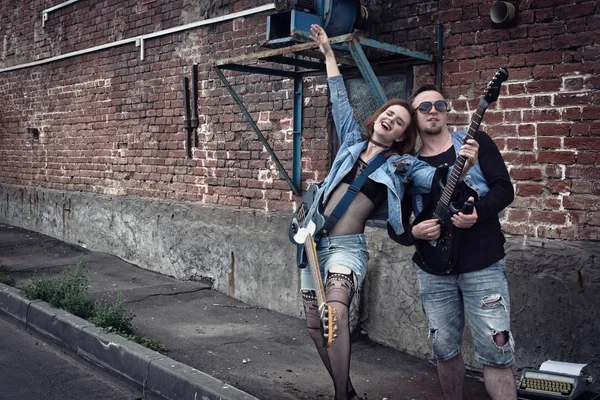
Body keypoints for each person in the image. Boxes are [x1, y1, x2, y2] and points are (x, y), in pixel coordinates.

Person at [302, 26, 478, 400]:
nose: (391, 120)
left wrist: (462, 165)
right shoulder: (351, 140)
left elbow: (435, 177)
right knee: (316, 326)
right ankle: (345, 390)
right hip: (312, 245)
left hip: (348, 248)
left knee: (334, 315)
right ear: (378, 118)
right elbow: (339, 101)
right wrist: (330, 55)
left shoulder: (401, 165)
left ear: (401, 135)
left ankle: (338, 398)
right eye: (388, 114)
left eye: (399, 121)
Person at [390, 83, 517, 400]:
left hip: (483, 265)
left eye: (439, 105)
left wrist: (480, 213)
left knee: (496, 347)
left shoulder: (474, 143)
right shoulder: (406, 167)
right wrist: (414, 233)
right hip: (434, 272)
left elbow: (504, 189)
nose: (433, 111)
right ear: (414, 120)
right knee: (444, 348)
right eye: (424, 107)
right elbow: (397, 225)